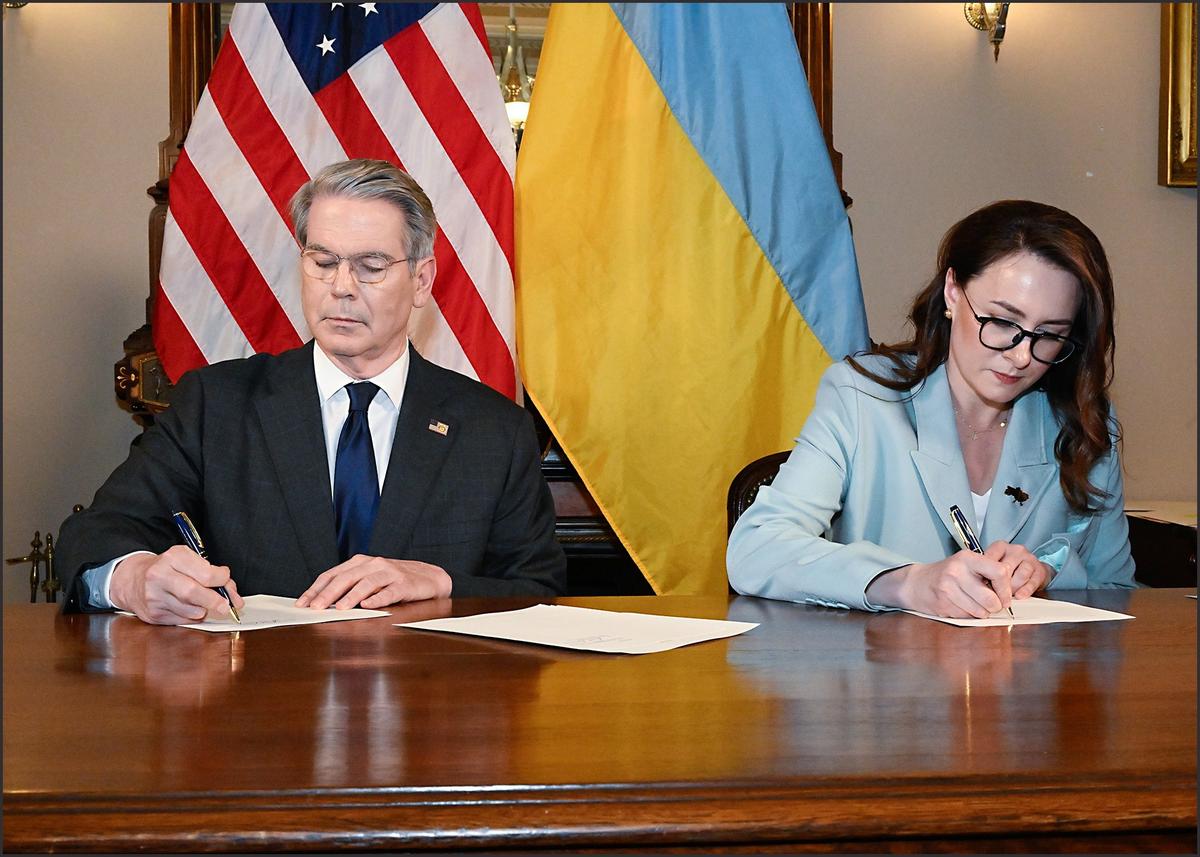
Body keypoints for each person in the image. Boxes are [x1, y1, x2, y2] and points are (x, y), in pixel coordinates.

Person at [58, 158, 566, 624]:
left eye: (371, 267)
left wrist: (442, 582)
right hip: (257, 687)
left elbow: (538, 590)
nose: (341, 286)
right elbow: (95, 534)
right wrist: (135, 578)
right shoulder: (217, 405)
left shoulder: (493, 429)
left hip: (425, 689)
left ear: (421, 280)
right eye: (323, 262)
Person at [727, 199, 1136, 618]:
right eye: (1001, 322)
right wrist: (906, 582)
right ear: (953, 291)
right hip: (883, 658)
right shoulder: (861, 397)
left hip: (1024, 660)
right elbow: (757, 549)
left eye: (1049, 334)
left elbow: (1118, 591)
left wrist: (1047, 572)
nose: (1021, 357)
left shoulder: (1083, 423)